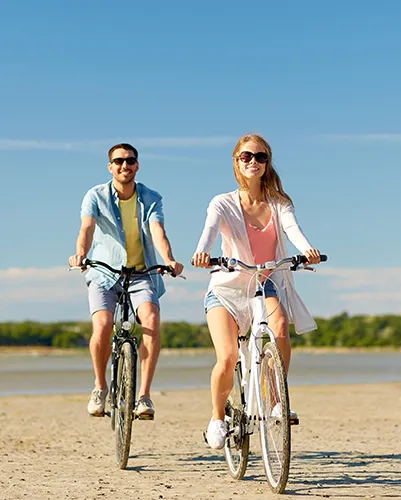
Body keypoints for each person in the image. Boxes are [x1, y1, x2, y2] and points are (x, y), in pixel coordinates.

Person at [192, 133, 321, 449]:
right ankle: (217, 417)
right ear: (236, 161)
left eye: (261, 157)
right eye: (247, 156)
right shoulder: (222, 202)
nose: (254, 162)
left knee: (279, 329)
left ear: (268, 162)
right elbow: (209, 229)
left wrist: (307, 250)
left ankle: (278, 401)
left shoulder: (279, 203)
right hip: (227, 288)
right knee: (228, 357)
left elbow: (293, 230)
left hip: (265, 283)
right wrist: (201, 251)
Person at [68, 143, 183, 418]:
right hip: (104, 272)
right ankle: (99, 386)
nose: (124, 166)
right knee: (104, 325)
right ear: (110, 167)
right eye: (118, 161)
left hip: (142, 272)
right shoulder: (95, 195)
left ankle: (144, 396)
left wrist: (168, 259)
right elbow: (87, 227)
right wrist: (80, 255)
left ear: (137, 166)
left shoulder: (151, 197)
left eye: (130, 161)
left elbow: (157, 230)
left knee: (152, 322)